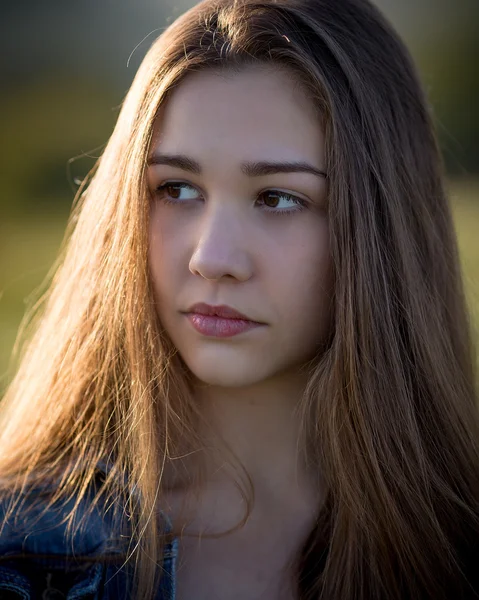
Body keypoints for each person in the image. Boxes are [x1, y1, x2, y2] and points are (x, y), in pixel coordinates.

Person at [1, 0, 479, 598]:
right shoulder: (23, 557)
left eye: (277, 198)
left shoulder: (455, 544)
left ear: (383, 230)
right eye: (175, 188)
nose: (212, 258)